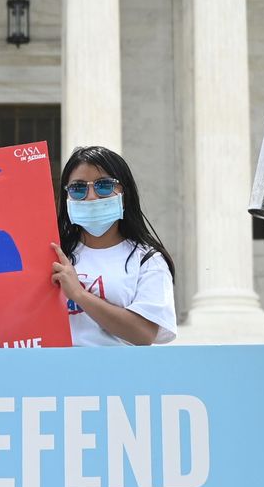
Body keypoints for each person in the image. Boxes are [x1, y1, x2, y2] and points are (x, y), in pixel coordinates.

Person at [49, 146, 178, 347]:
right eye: (78, 188)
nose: (91, 196)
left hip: (121, 375)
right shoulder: (51, 254)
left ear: (124, 193)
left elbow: (143, 334)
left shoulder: (148, 260)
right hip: (57, 374)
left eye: (104, 186)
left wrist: (79, 295)